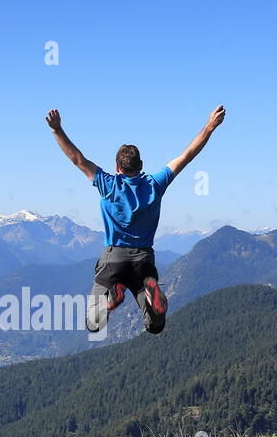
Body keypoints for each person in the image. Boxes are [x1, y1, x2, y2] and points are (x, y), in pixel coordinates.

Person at [45, 105, 226, 334]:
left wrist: (56, 130)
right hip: (143, 260)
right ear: (141, 166)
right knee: (155, 326)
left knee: (94, 323)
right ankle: (153, 298)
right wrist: (210, 126)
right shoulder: (155, 184)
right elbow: (187, 155)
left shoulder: (108, 184)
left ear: (117, 167)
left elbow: (78, 159)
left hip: (114, 259)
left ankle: (112, 294)